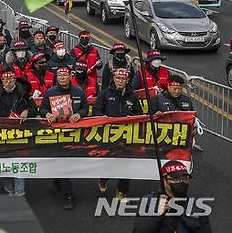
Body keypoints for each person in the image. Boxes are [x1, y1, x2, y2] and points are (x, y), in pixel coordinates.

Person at [39, 67, 89, 210]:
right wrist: (47, 114)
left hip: (74, 133)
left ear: (70, 76)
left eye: (65, 75)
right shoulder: (50, 92)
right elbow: (42, 109)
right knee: (61, 162)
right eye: (59, 75)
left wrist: (79, 115)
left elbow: (85, 107)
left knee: (65, 163)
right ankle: (68, 195)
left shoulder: (78, 91)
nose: (62, 77)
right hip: (56, 134)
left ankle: (59, 181)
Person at [0, 67, 37, 196]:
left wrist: (27, 111)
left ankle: (20, 193)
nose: (8, 82)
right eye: (5, 79)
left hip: (21, 134)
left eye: (11, 79)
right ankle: (9, 191)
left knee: (19, 164)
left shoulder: (24, 93)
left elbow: (35, 110)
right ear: (1, 81)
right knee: (6, 165)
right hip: (2, 135)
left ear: (15, 79)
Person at [93, 68, 142, 199]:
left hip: (127, 135)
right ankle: (103, 178)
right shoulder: (105, 93)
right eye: (118, 78)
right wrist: (104, 118)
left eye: (124, 79)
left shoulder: (133, 96)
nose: (120, 81)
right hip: (108, 135)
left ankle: (122, 191)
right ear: (113, 79)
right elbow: (96, 111)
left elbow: (140, 114)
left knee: (127, 163)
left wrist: (131, 118)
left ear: (127, 81)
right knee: (108, 161)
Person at [133, 160, 212, 233]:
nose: (181, 182)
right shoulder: (148, 202)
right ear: (164, 181)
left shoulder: (197, 207)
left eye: (185, 179)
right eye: (176, 179)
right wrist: (157, 214)